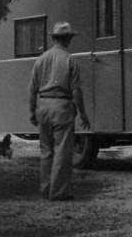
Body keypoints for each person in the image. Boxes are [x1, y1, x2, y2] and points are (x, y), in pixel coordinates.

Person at [28, 21, 91, 200]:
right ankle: (59, 192)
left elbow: (32, 89)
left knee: (46, 151)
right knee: (62, 150)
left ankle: (45, 188)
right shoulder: (70, 60)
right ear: (68, 39)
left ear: (54, 38)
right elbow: (76, 91)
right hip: (62, 107)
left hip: (43, 106)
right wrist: (83, 113)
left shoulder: (41, 59)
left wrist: (32, 111)